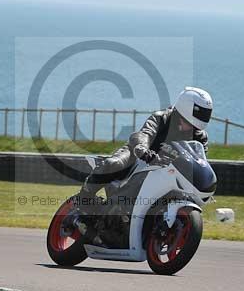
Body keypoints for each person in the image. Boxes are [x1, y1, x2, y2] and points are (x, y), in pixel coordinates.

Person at [75, 87, 213, 210]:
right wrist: (142, 148)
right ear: (182, 111)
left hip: (167, 170)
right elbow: (146, 133)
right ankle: (83, 199)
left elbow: (200, 161)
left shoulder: (200, 137)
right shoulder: (162, 118)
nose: (191, 129)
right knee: (113, 164)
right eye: (188, 124)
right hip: (140, 157)